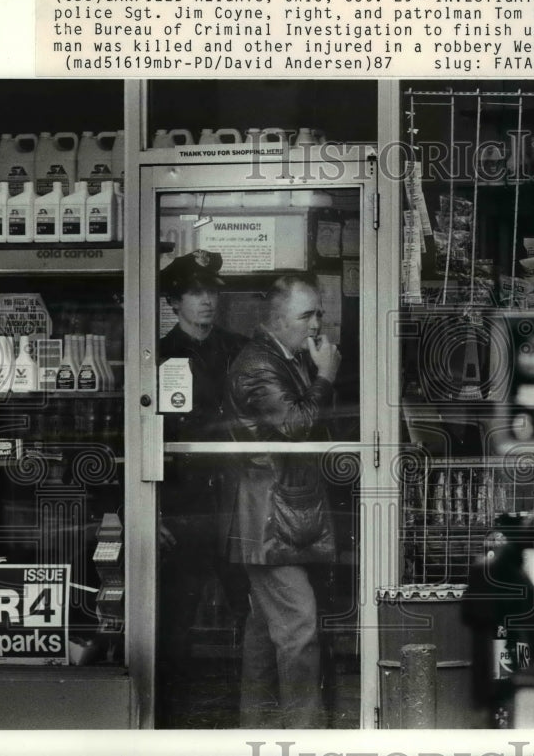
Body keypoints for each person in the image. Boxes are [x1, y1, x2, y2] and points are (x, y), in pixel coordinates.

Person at [224, 272, 341, 728]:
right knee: (298, 629)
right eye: (307, 314)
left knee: (264, 631)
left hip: (281, 514)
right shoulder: (258, 364)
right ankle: (304, 736)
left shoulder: (282, 357)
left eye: (320, 313)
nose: (317, 324)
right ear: (277, 318)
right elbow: (295, 425)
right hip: (271, 519)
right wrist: (326, 375)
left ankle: (256, 731)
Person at [156, 249, 250, 727]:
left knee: (250, 611)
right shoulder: (159, 354)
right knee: (176, 619)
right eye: (195, 293)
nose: (207, 301)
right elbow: (141, 437)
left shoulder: (238, 349)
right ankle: (169, 722)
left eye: (212, 292)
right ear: (174, 301)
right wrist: (148, 513)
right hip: (183, 506)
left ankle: (250, 716)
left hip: (236, 502)